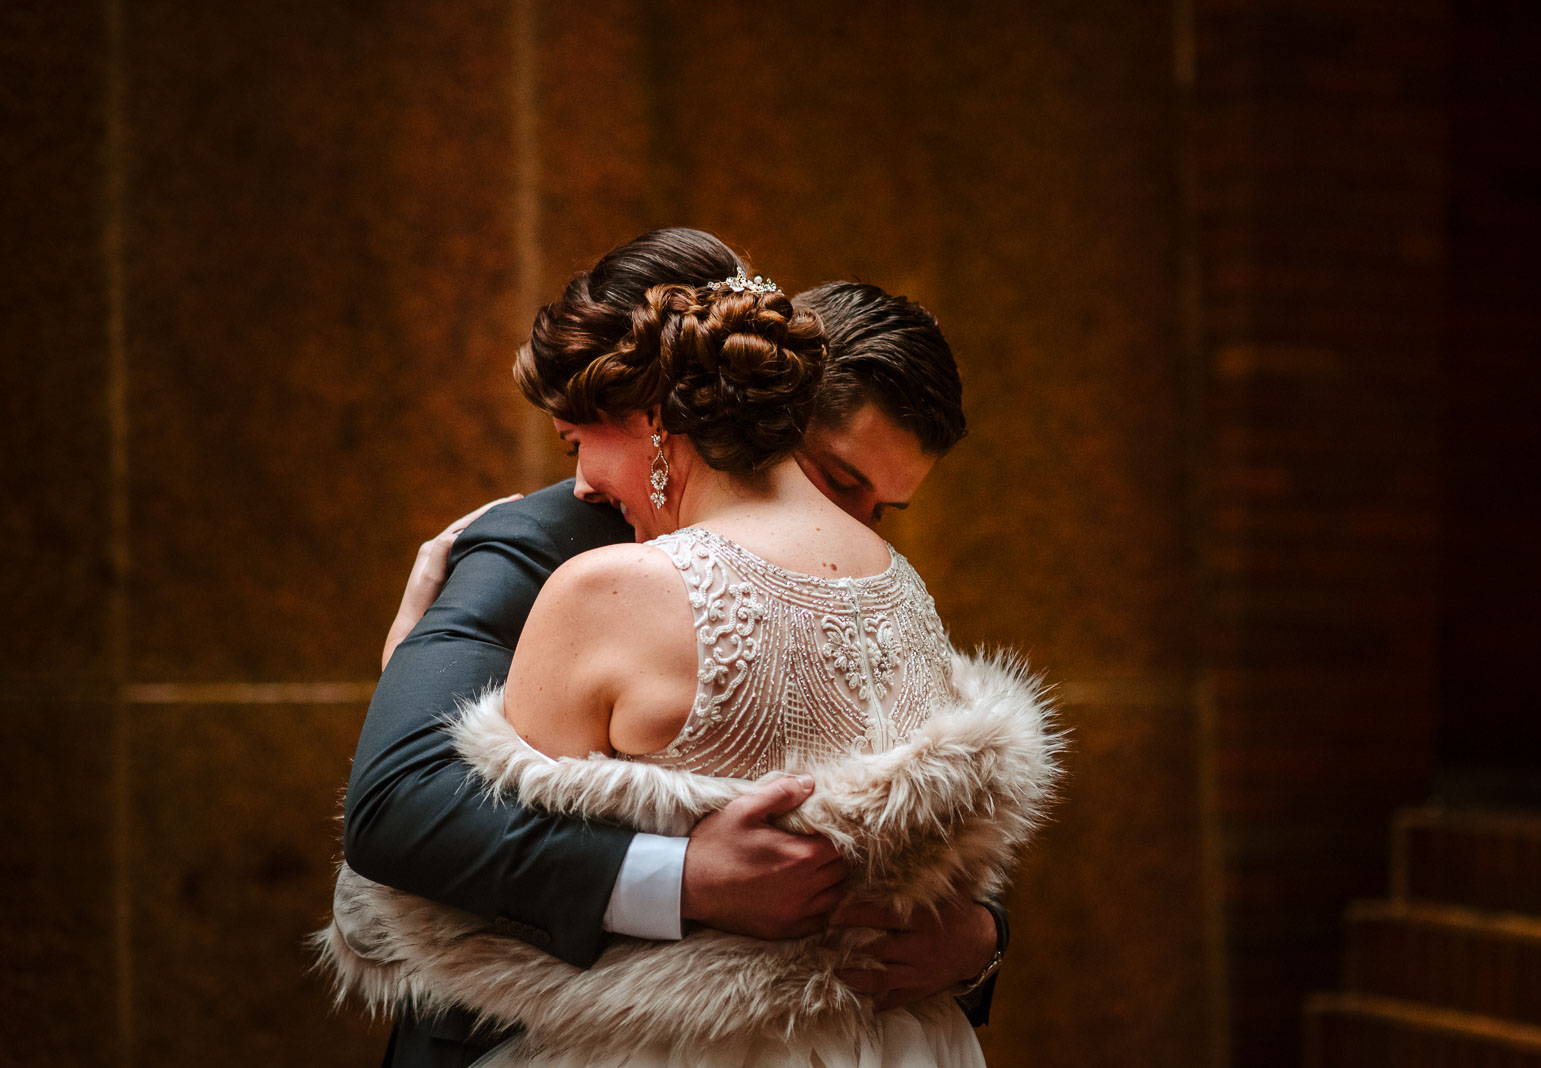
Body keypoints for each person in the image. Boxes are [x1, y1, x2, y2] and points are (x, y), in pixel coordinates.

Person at [333, 232, 1028, 1065]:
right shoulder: (544, 544)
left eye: (885, 509)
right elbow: (404, 809)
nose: (850, 526)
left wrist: (979, 936)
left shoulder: (867, 574)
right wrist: (685, 876)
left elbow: (925, 803)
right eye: (841, 482)